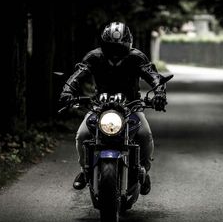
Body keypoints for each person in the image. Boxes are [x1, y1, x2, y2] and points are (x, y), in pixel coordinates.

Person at [59, 21, 167, 195]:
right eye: (111, 46)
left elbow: (152, 75)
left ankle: (144, 171)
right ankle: (85, 170)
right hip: (99, 107)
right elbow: (78, 74)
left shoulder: (137, 57)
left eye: (119, 46)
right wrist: (67, 91)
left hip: (131, 106)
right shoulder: (94, 57)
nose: (115, 51)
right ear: (103, 43)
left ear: (128, 44)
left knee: (145, 134)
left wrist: (160, 93)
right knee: (82, 135)